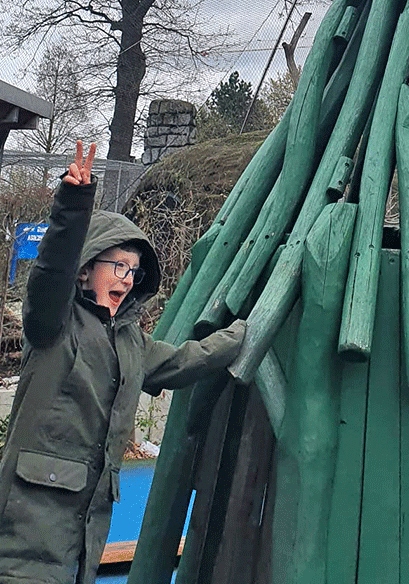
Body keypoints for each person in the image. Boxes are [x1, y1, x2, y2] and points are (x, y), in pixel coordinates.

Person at [0, 141, 246, 584]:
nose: (127, 278)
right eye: (117, 265)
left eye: (133, 271)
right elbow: (51, 270)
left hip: (83, 535)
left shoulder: (130, 342)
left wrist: (243, 334)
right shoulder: (54, 323)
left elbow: (187, 359)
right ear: (85, 271)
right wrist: (73, 204)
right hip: (25, 533)